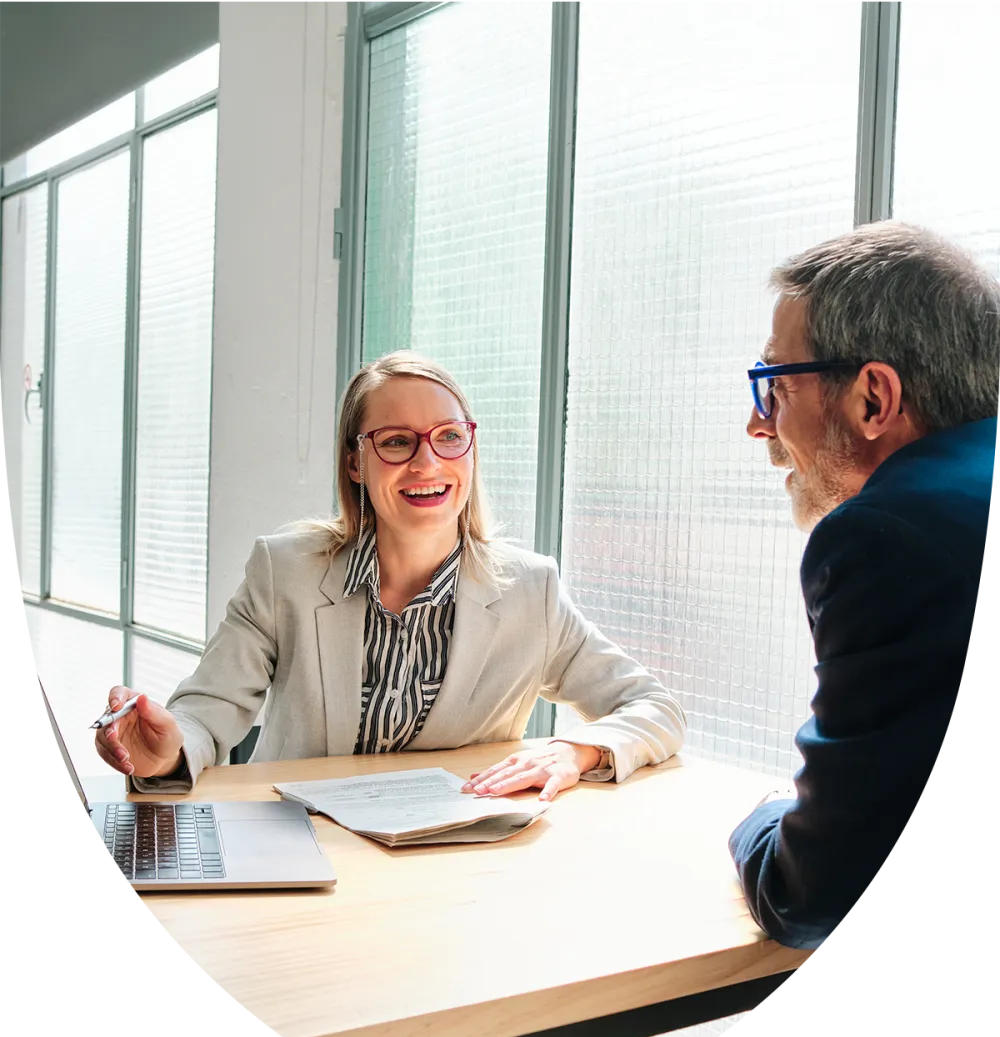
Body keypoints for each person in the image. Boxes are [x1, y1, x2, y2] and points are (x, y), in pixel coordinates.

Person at [94, 351, 687, 799]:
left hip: (455, 866)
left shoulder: (531, 591)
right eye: (397, 442)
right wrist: (164, 753)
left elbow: (653, 707)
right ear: (355, 462)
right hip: (301, 845)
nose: (428, 462)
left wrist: (577, 751)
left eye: (449, 437)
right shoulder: (285, 572)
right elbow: (206, 712)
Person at [730, 221, 998, 950]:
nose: (758, 424)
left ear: (874, 398)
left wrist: (761, 817)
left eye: (775, 384)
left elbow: (812, 894)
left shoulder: (890, 534)